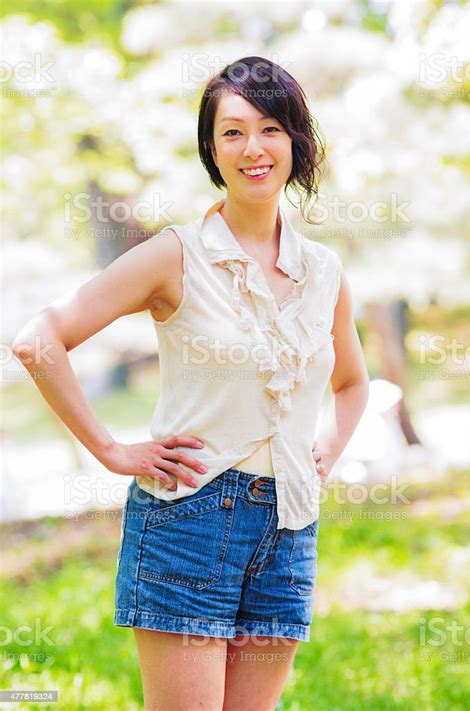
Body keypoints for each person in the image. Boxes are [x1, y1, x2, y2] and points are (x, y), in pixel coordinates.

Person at [13, 56, 369, 711]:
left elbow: (351, 382)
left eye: (270, 128)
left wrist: (325, 452)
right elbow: (39, 340)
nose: (253, 147)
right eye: (232, 132)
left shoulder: (324, 272)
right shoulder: (176, 254)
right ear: (211, 148)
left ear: (296, 139)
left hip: (290, 526)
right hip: (190, 516)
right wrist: (113, 451)